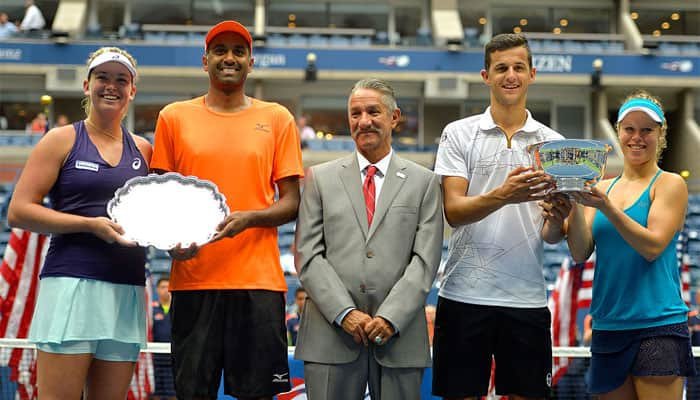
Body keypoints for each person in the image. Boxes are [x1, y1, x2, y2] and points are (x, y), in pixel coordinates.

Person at [150, 20, 304, 400]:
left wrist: (250, 218)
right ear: (205, 61)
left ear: (251, 62)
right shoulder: (173, 117)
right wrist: (171, 242)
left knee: (258, 395)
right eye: (220, 51)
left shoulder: (277, 118)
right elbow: (159, 200)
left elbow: (291, 202)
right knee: (191, 394)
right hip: (193, 282)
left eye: (238, 51)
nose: (229, 58)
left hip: (258, 284)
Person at [7, 46, 151, 400]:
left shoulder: (145, 150)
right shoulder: (61, 139)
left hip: (127, 289)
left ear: (132, 90)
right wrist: (90, 224)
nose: (111, 86)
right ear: (87, 85)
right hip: (71, 285)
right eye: (102, 77)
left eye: (121, 80)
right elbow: (19, 210)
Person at [431, 33, 570, 400]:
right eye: (501, 68)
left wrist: (557, 220)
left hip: (526, 299)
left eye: (518, 67)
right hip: (463, 294)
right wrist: (503, 195)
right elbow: (453, 212)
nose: (510, 75)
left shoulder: (553, 143)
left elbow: (552, 235)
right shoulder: (458, 134)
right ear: (485, 75)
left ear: (532, 74)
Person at [294, 78, 444, 400]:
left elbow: (425, 261)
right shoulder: (319, 179)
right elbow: (308, 255)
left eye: (373, 111)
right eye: (355, 113)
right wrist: (344, 313)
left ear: (394, 117)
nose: (363, 121)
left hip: (400, 337)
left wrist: (391, 317)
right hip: (329, 336)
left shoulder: (425, 183)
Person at [566, 90, 695, 400]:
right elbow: (580, 251)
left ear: (660, 135)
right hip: (608, 326)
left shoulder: (670, 184)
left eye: (647, 130)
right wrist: (571, 198)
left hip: (658, 326)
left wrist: (608, 208)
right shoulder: (600, 187)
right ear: (618, 132)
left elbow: (652, 247)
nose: (637, 137)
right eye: (629, 129)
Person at [152, 278, 175, 400]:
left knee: (173, 393)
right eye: (162, 287)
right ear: (157, 289)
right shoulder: (151, 310)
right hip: (156, 359)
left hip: (174, 359)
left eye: (168, 287)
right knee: (156, 393)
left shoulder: (178, 309)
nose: (165, 290)